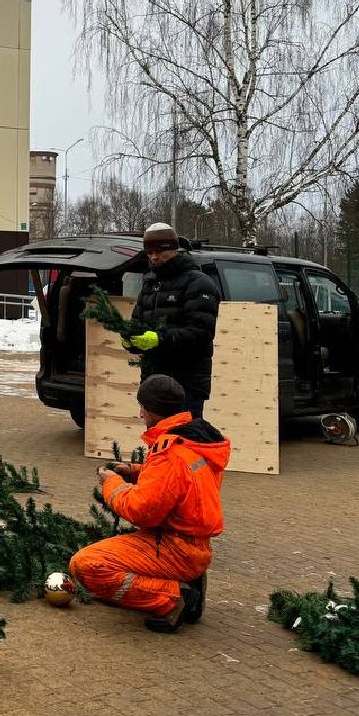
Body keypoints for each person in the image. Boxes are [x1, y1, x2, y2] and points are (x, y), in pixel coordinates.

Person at [69, 374, 230, 634]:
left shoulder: (169, 453)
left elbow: (141, 511)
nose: (141, 414)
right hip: (193, 546)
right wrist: (134, 471)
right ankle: (188, 582)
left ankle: (173, 597)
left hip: (174, 547)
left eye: (143, 407)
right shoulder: (194, 440)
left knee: (87, 565)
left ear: (152, 410)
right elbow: (177, 482)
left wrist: (111, 482)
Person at [123, 222, 221, 418]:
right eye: (149, 252)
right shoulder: (150, 284)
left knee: (183, 441)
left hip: (185, 385)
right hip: (153, 384)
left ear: (174, 249)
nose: (154, 257)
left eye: (160, 251)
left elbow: (201, 333)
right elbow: (137, 323)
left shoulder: (198, 283)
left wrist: (160, 339)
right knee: (157, 443)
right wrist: (131, 340)